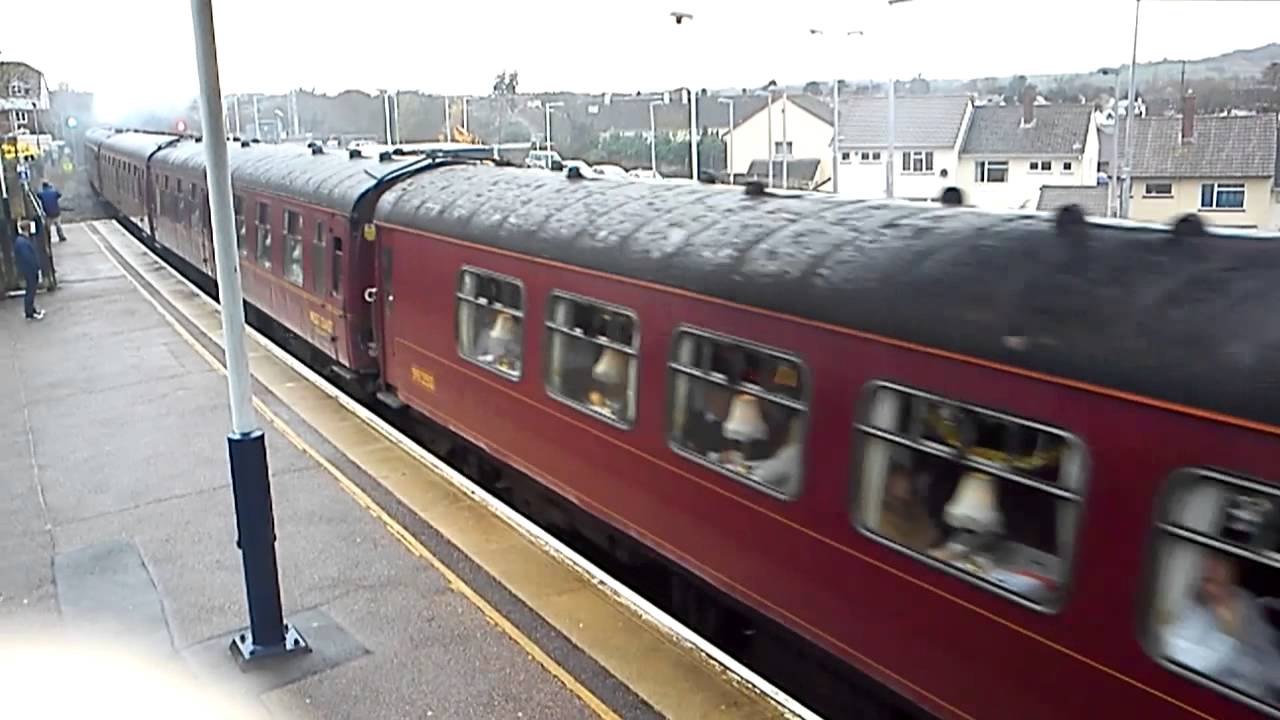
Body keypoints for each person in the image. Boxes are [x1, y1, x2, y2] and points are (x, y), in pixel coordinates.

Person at [1163, 552, 1280, 701]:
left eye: (1225, 580)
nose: (1220, 589)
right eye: (1211, 581)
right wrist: (1228, 633)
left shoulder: (1243, 599)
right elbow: (1196, 668)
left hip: (1266, 689)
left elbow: (1266, 650)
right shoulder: (1185, 615)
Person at [878, 464, 941, 552]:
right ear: (889, 483)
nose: (908, 484)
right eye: (900, 480)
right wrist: (929, 553)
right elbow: (897, 548)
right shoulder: (879, 513)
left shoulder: (914, 505)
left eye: (908, 478)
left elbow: (933, 534)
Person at [13, 222, 45, 321]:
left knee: (30, 290)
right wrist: (36, 267)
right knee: (30, 291)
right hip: (30, 270)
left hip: (27, 269)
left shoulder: (21, 240)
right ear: (28, 229)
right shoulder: (23, 242)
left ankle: (31, 309)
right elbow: (28, 257)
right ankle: (29, 313)